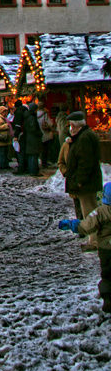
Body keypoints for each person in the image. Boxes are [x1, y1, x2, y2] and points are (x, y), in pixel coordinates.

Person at [59, 182, 111, 313]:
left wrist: (72, 224)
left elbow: (85, 226)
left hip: (107, 250)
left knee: (108, 276)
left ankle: (109, 299)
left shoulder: (101, 212)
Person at [65, 112, 103, 219]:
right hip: (88, 182)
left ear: (73, 125)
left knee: (89, 213)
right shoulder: (83, 136)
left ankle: (93, 236)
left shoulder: (84, 138)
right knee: (89, 212)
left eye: (70, 125)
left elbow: (85, 163)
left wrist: (80, 181)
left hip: (87, 184)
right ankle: (92, 235)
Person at [23, 100, 43, 176]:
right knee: (34, 155)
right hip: (33, 139)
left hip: (29, 138)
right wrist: (39, 133)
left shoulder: (27, 116)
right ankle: (34, 171)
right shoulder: (32, 117)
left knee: (31, 155)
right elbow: (33, 128)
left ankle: (32, 170)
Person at [0, 105, 12, 170]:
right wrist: (6, 125)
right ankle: (3, 165)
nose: (6, 113)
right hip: (1, 138)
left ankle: (5, 164)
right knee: (2, 153)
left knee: (4, 152)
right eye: (5, 111)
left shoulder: (3, 118)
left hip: (4, 138)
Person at [37, 102, 54, 168]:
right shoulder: (45, 114)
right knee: (46, 148)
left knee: (41, 148)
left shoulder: (35, 114)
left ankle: (41, 160)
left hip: (39, 133)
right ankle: (44, 162)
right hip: (45, 133)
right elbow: (49, 123)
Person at [12, 100, 28, 174]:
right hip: (25, 133)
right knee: (24, 151)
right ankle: (25, 166)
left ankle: (21, 167)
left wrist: (16, 135)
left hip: (20, 134)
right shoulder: (25, 111)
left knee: (20, 151)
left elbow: (17, 125)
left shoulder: (18, 113)